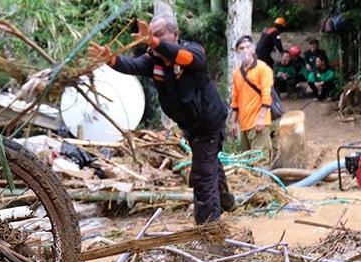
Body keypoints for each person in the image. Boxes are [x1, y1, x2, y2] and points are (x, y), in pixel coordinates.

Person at [87, 14, 234, 224]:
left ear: (175, 34)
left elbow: (187, 58)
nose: (151, 40)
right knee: (209, 165)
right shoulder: (153, 60)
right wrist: (110, 59)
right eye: (149, 36)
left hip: (209, 124)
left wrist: (153, 42)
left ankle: (209, 228)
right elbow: (132, 65)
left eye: (158, 35)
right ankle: (227, 201)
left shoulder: (193, 52)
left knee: (202, 175)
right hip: (190, 126)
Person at [230, 35, 274, 159]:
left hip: (259, 123)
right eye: (241, 48)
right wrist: (233, 123)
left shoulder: (262, 68)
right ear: (237, 52)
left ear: (253, 50)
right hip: (244, 124)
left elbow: (267, 94)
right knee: (246, 161)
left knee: (260, 159)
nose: (245, 51)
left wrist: (261, 118)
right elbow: (235, 99)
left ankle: (264, 178)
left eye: (247, 47)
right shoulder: (236, 74)